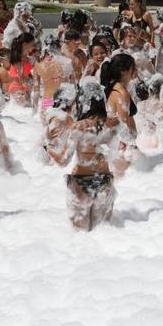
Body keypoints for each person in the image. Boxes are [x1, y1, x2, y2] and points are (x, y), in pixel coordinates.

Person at [64, 81, 118, 231]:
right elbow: (118, 156)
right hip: (104, 183)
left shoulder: (77, 126)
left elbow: (64, 160)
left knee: (79, 240)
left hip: (80, 184)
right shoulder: (111, 125)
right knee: (103, 237)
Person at [100, 53, 138, 177]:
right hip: (121, 146)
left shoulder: (113, 88)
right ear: (123, 71)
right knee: (122, 179)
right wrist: (133, 147)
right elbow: (124, 125)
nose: (136, 71)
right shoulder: (121, 93)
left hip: (114, 144)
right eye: (133, 68)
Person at [7, 33, 37, 107]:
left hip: (20, 90)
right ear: (24, 44)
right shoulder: (20, 58)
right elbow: (21, 78)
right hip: (18, 90)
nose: (33, 47)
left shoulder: (22, 57)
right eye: (32, 44)